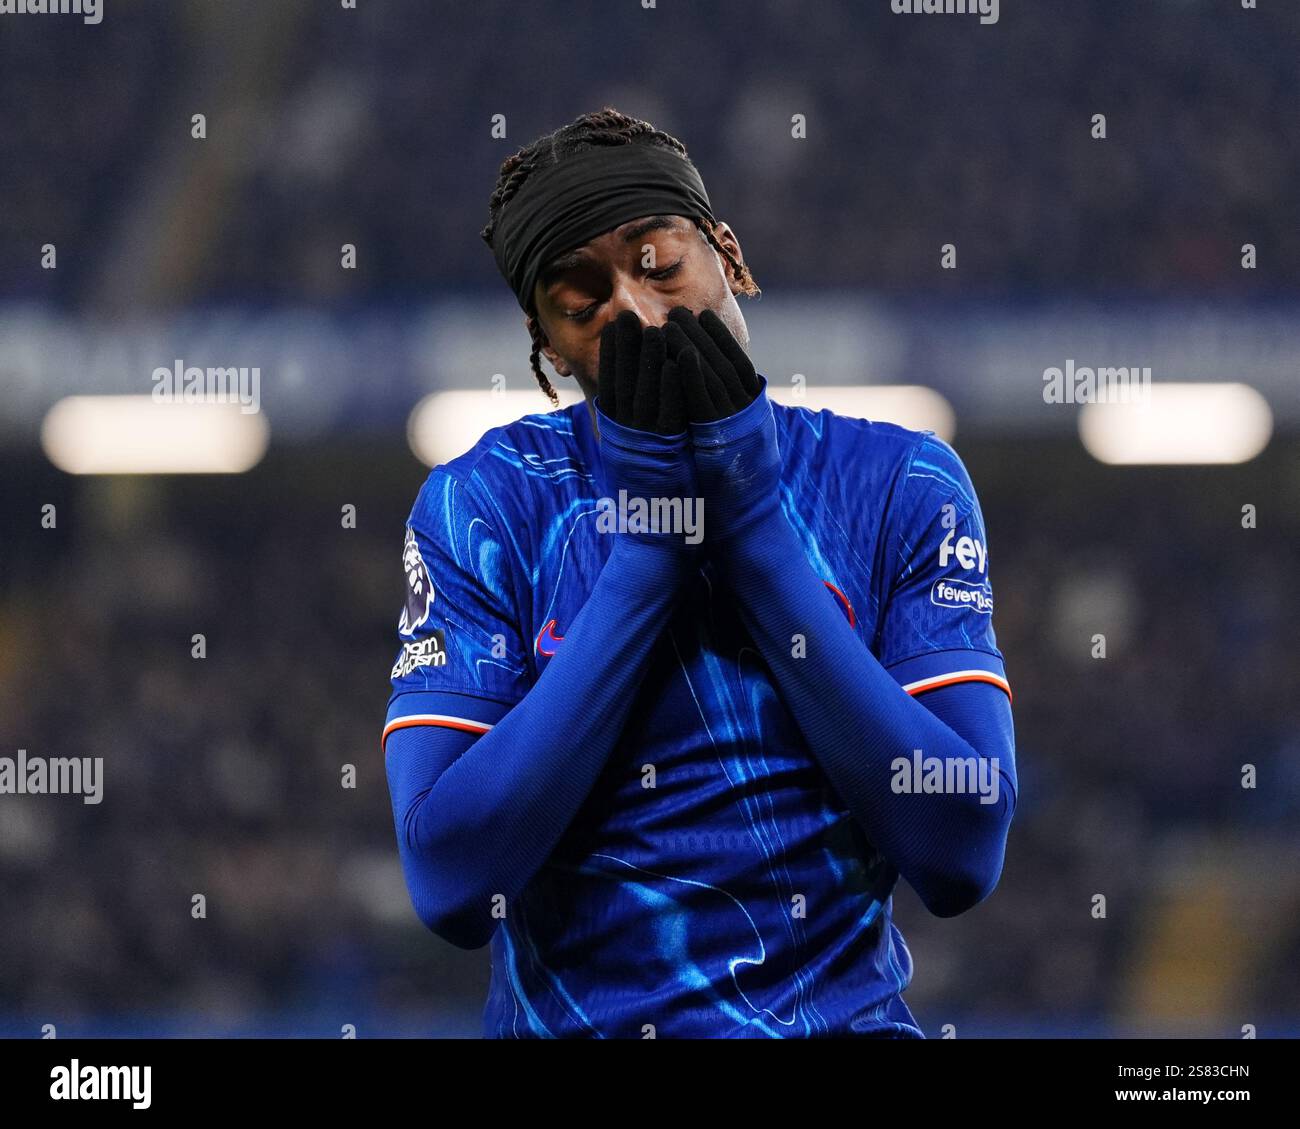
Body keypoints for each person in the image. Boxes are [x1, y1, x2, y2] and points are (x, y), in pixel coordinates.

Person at [381, 107, 1016, 1038]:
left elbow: (962, 850)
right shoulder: (488, 503)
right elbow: (451, 882)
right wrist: (648, 554)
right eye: (580, 299)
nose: (634, 312)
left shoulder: (897, 484)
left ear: (728, 252)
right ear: (546, 345)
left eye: (656, 262)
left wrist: (752, 526)